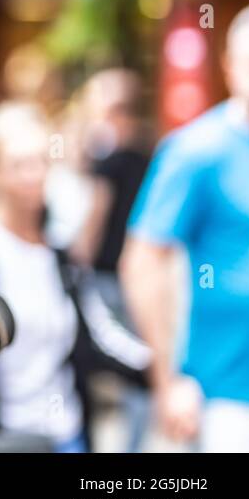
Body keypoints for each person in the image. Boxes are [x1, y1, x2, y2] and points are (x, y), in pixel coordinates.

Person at [0, 101, 147, 452]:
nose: (35, 175)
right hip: (3, 440)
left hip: (68, 435)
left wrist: (164, 369)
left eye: (42, 161)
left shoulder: (58, 252)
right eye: (20, 164)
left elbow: (98, 333)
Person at [123, 3, 249, 452]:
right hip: (226, 395)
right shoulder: (197, 151)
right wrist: (168, 379)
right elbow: (143, 263)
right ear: (230, 66)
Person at [70, 69, 152, 450]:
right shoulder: (148, 152)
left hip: (108, 273)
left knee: (110, 353)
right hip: (139, 272)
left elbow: (95, 216)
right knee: (136, 359)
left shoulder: (112, 160)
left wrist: (76, 260)